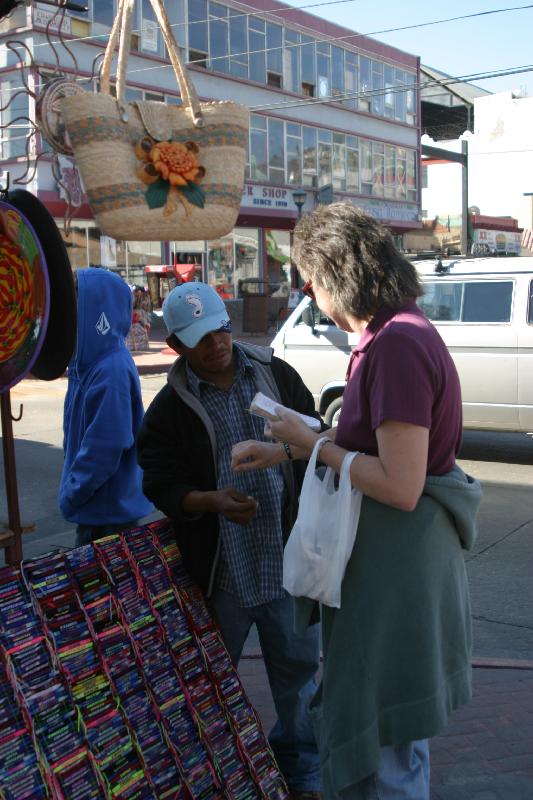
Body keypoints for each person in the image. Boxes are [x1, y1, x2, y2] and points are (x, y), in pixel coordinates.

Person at [231, 204, 482, 800]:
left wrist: (318, 451)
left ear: (330, 276)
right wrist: (297, 446)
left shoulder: (396, 345)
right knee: (391, 738)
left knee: (385, 746)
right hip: (394, 566)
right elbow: (377, 449)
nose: (312, 298)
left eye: (310, 284)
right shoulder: (393, 334)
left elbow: (400, 483)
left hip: (394, 570)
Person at [137, 281, 323, 800]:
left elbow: (318, 439)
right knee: (209, 681)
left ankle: (302, 773)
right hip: (222, 572)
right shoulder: (170, 410)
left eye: (220, 329)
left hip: (287, 560)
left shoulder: (274, 374)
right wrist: (209, 501)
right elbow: (158, 479)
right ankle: (215, 771)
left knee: (299, 680)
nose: (217, 344)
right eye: (200, 338)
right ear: (175, 345)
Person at [59, 268, 153, 546]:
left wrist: (73, 493)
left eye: (77, 308)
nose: (70, 316)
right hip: (99, 510)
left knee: (106, 588)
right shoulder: (89, 362)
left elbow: (105, 447)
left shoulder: (109, 368)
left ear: (96, 312)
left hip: (107, 517)